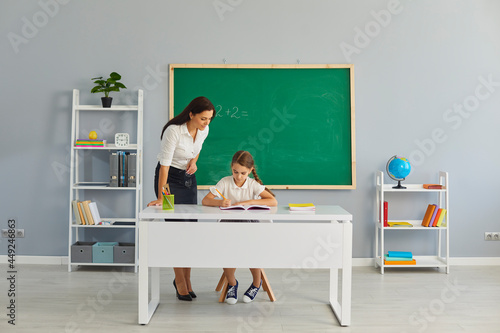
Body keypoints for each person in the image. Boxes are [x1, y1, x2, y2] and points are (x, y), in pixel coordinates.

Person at [147, 96, 215, 301]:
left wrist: (194, 162)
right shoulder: (173, 131)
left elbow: (198, 148)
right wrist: (162, 197)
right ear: (191, 114)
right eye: (203, 119)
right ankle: (180, 282)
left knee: (189, 232)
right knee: (176, 231)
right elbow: (165, 167)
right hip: (169, 180)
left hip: (188, 179)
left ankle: (187, 279)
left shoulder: (204, 129)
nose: (206, 123)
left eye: (210, 119)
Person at [201, 150, 277, 304]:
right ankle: (232, 283)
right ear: (231, 168)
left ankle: (256, 283)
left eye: (243, 173)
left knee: (252, 251)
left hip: (250, 225)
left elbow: (272, 201)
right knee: (226, 251)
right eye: (235, 172)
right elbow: (206, 200)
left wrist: (248, 202)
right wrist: (220, 202)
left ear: (250, 171)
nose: (239, 176)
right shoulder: (225, 182)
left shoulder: (253, 184)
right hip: (228, 225)